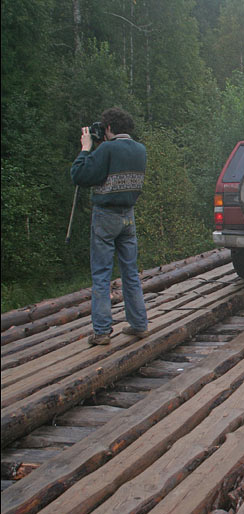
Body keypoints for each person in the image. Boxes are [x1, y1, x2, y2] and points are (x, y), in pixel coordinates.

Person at [71, 107, 149, 346]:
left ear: (108, 128)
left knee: (102, 275)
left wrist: (86, 148)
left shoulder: (106, 148)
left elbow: (80, 175)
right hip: (128, 216)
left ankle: (103, 331)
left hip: (106, 216)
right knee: (130, 273)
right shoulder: (140, 149)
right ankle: (139, 324)